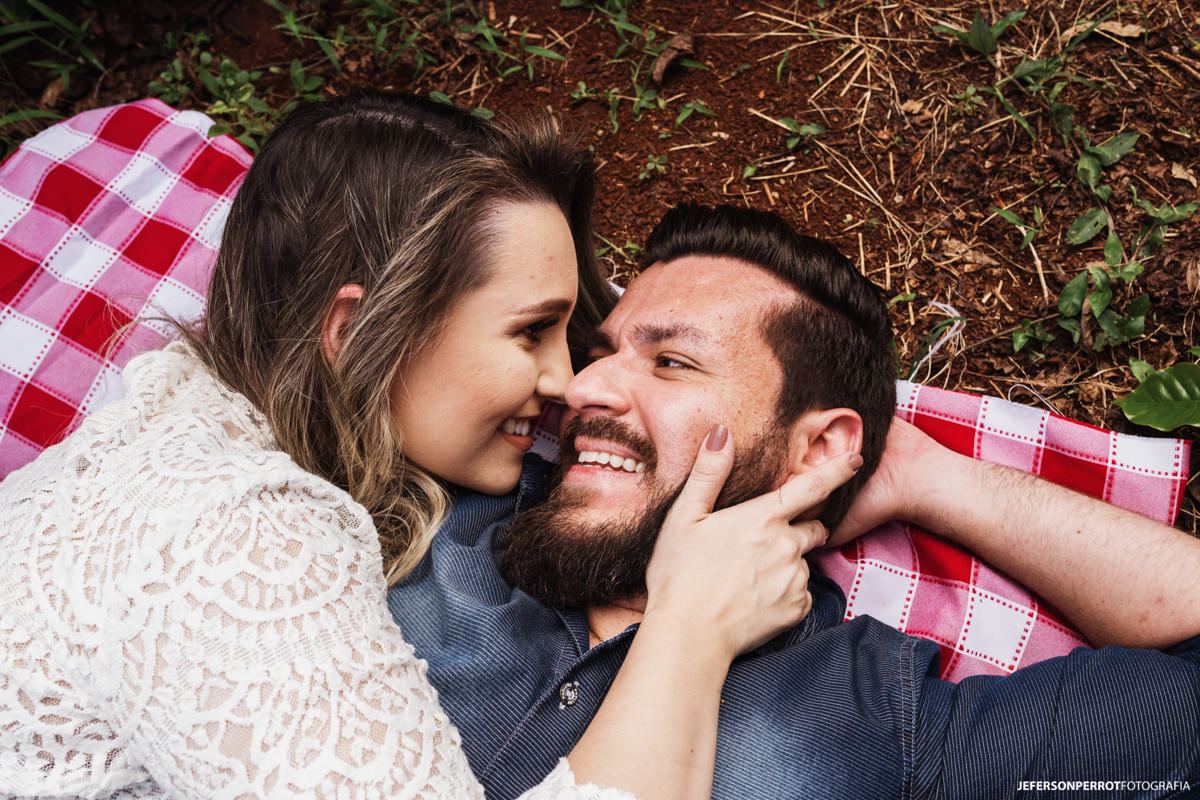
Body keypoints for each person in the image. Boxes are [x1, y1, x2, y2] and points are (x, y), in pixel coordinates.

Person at [0, 95, 854, 799]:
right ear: (356, 328)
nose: (568, 383)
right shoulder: (237, 545)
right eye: (531, 332)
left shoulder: (181, 413)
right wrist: (690, 630)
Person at [388, 203, 1200, 799]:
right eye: (599, 353)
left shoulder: (877, 718)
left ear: (818, 448)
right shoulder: (430, 512)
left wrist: (934, 478)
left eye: (671, 363)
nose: (582, 387)